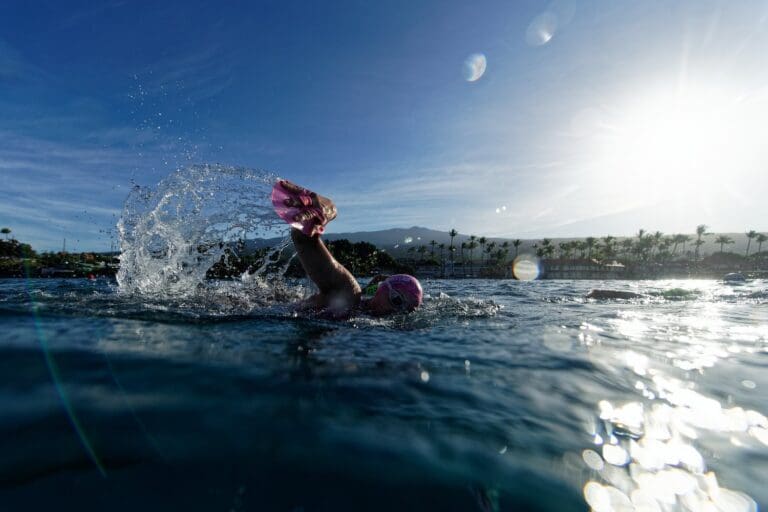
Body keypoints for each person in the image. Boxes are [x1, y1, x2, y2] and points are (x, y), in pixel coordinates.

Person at [274, 180, 423, 318]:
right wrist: (329, 209)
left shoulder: (364, 312)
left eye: (407, 311)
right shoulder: (349, 296)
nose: (396, 312)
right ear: (383, 290)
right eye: (396, 300)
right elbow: (303, 238)